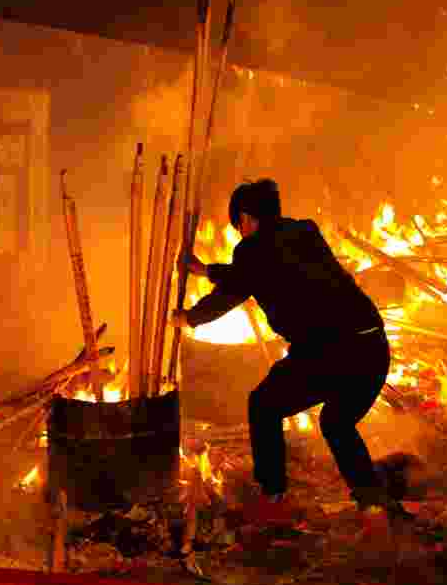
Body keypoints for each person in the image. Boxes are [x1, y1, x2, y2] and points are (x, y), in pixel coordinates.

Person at [170, 179, 398, 540]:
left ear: (245, 218)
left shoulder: (253, 251)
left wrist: (188, 318)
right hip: (371, 346)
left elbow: (232, 291)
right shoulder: (304, 232)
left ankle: (273, 498)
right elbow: (258, 271)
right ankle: (373, 505)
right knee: (337, 423)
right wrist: (206, 271)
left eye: (238, 225)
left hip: (329, 352)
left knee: (264, 404)